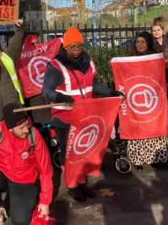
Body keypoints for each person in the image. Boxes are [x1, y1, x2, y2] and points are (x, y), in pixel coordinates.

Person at [42, 26, 122, 202]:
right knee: (69, 153)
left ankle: (81, 182)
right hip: (64, 116)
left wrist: (111, 92)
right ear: (66, 47)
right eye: (73, 46)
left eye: (79, 45)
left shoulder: (88, 62)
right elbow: (46, 91)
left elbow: (93, 85)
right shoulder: (55, 66)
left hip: (85, 115)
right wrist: (59, 96)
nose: (77, 49)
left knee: (83, 152)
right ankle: (71, 185)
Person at [127, 32, 168, 167]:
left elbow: (166, 78)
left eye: (143, 42)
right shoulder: (130, 59)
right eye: (137, 42)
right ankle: (138, 158)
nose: (140, 45)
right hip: (137, 98)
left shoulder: (156, 58)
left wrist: (166, 66)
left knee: (153, 126)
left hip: (152, 97)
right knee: (138, 127)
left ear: (148, 43)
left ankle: (156, 158)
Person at [151, 16, 168, 81]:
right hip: (154, 77)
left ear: (163, 30)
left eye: (158, 30)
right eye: (154, 30)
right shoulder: (150, 44)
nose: (156, 32)